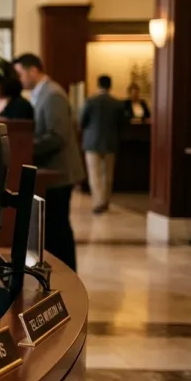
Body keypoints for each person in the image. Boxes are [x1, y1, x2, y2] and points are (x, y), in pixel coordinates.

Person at [13, 53, 85, 272]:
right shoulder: (40, 93)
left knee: (58, 228)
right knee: (54, 227)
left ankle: (68, 273)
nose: (19, 79)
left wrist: (27, 150)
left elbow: (58, 135)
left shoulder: (52, 94)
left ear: (33, 70)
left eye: (20, 73)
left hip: (59, 172)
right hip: (53, 171)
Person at [80, 75, 127, 214]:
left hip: (92, 142)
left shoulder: (90, 101)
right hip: (111, 142)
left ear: (98, 85)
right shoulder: (117, 103)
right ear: (110, 86)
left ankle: (98, 202)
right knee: (108, 174)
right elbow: (122, 124)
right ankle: (105, 201)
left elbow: (82, 121)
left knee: (95, 174)